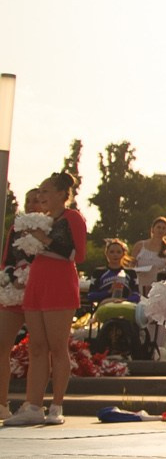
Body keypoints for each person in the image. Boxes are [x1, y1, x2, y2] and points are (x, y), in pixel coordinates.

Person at [13, 172, 90, 428]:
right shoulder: (42, 219)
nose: (41, 196)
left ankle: (56, 404)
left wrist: (40, 236)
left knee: (58, 346)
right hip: (38, 281)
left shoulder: (72, 218)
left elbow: (77, 254)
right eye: (40, 192)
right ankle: (33, 404)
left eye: (46, 192)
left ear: (61, 194)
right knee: (36, 346)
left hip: (60, 284)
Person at [1, 187, 47, 424]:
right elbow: (7, 257)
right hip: (14, 292)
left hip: (39, 292)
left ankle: (33, 403)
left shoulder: (50, 227)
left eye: (37, 200)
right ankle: (1, 403)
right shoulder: (16, 227)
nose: (32, 204)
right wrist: (12, 276)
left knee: (38, 347)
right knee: (2, 345)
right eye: (28, 200)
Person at [131, 217, 166, 296]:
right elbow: (130, 266)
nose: (160, 230)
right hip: (140, 283)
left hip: (159, 286)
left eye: (163, 228)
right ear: (153, 229)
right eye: (158, 227)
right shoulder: (139, 245)